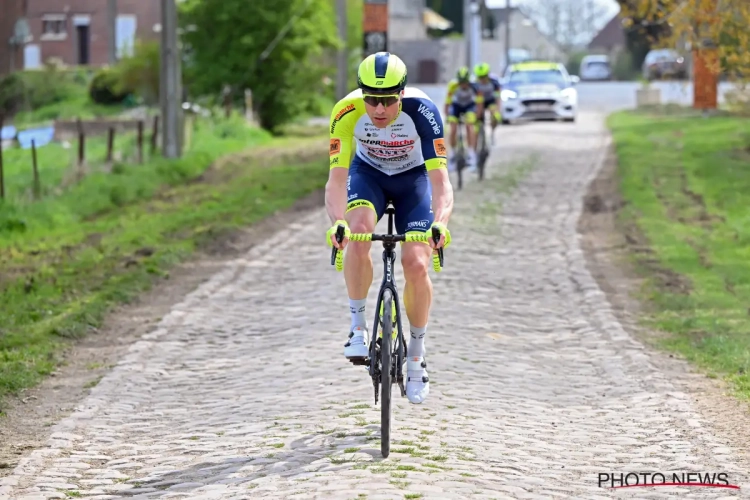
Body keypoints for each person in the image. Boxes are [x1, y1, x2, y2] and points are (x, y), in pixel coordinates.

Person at [325, 52, 454, 405]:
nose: (379, 109)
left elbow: (441, 182)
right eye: (371, 99)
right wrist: (337, 220)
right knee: (359, 231)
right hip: (369, 177)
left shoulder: (423, 112)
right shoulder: (345, 112)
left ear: (402, 92)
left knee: (415, 262)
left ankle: (416, 355)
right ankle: (356, 327)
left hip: (413, 181)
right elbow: (336, 181)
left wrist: (440, 224)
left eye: (387, 100)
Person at [444, 67, 483, 172]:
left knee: (470, 127)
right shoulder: (453, 85)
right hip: (456, 106)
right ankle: (452, 155)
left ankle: (471, 155)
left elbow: (479, 103)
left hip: (469, 106)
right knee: (452, 129)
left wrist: (478, 115)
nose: (463, 85)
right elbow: (447, 102)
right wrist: (447, 114)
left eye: (465, 82)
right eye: (461, 83)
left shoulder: (475, 86)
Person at [472, 62, 502, 143]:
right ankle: (479, 137)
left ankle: (492, 131)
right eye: (480, 77)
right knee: (477, 119)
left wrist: (498, 111)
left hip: (490, 101)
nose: (482, 79)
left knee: (495, 115)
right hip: (479, 101)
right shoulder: (474, 83)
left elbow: (498, 98)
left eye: (484, 77)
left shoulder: (494, 82)